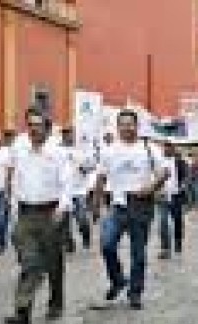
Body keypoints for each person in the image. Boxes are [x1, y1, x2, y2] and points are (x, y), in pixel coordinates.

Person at [93, 109, 168, 310]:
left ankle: (135, 292)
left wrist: (151, 187)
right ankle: (117, 280)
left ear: (137, 126)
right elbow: (101, 177)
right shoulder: (109, 150)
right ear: (117, 127)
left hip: (140, 204)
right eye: (123, 124)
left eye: (130, 123)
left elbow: (163, 172)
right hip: (117, 205)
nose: (127, 127)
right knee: (107, 245)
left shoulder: (149, 149)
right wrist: (96, 204)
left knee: (138, 253)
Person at [4, 107, 70, 324]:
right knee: (29, 262)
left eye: (38, 125)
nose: (33, 129)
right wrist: (12, 208)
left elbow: (66, 183)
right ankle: (22, 310)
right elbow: (14, 179)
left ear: (47, 128)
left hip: (50, 212)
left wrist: (62, 207)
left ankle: (56, 300)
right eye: (30, 125)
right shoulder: (19, 149)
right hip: (25, 213)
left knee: (53, 262)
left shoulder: (58, 153)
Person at [60, 126, 94, 252]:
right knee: (64, 220)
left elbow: (91, 166)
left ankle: (86, 236)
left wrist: (84, 168)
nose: (67, 135)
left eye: (69, 133)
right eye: (65, 133)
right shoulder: (57, 150)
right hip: (63, 191)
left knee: (82, 218)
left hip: (79, 190)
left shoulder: (81, 150)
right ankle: (68, 243)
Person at [158, 141, 188, 259]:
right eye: (165, 147)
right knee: (163, 222)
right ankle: (165, 248)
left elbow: (185, 175)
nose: (167, 149)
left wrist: (183, 185)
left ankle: (178, 242)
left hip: (176, 195)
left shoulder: (180, 162)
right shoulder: (159, 161)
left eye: (169, 147)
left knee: (177, 220)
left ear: (173, 149)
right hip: (163, 196)